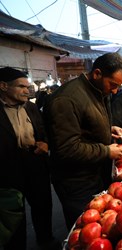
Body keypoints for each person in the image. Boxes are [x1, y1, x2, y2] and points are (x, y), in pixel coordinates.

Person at [43, 53, 122, 230]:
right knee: (84, 229)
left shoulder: (98, 91)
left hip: (96, 174)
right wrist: (106, 151)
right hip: (76, 181)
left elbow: (85, 124)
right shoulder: (66, 99)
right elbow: (66, 148)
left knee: (101, 226)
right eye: (113, 84)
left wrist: (108, 128)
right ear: (97, 73)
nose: (115, 91)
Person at [0, 67, 59, 249]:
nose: (27, 90)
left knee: (42, 206)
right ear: (3, 86)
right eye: (21, 87)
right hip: (7, 170)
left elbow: (45, 131)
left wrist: (46, 143)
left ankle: (45, 239)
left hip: (35, 163)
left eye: (28, 86)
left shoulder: (32, 107)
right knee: (14, 214)